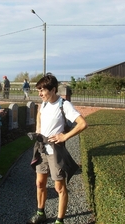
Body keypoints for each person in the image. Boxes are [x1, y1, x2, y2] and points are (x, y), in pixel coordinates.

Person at [27, 74, 88, 224]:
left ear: (53, 90)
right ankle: (41, 213)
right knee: (40, 183)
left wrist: (64, 137)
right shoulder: (44, 104)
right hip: (42, 149)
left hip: (55, 151)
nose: (40, 94)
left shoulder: (64, 105)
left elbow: (82, 124)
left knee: (59, 187)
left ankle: (60, 220)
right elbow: (39, 116)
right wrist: (38, 129)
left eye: (42, 90)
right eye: (38, 90)